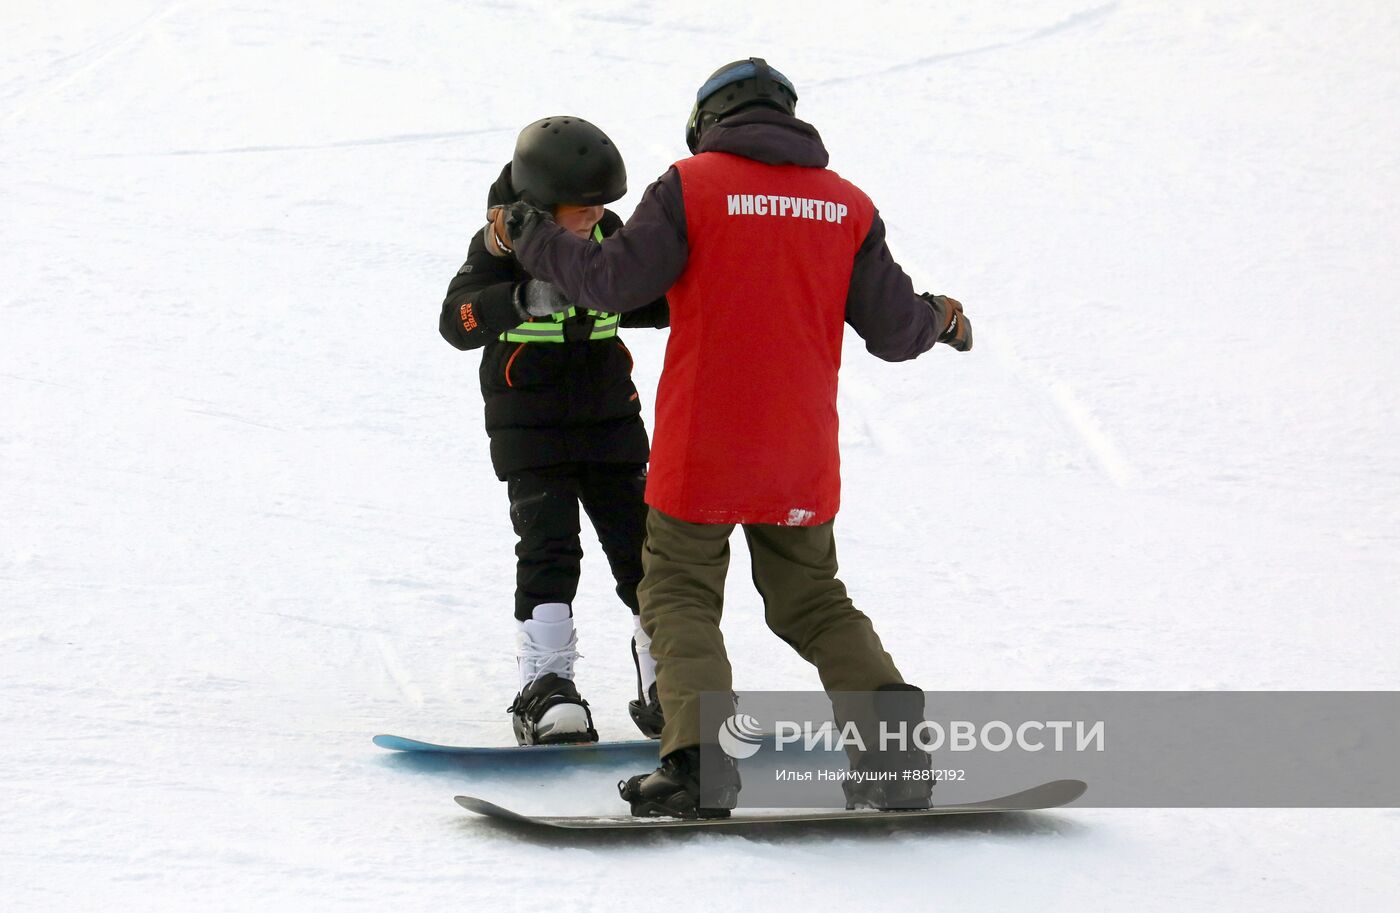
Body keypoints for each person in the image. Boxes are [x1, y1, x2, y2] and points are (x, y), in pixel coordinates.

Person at [490, 60, 973, 815]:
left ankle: (700, 766)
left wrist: (534, 237)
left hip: (705, 444)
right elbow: (894, 327)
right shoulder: (847, 205)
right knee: (813, 598)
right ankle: (896, 760)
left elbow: (612, 283)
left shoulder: (691, 185)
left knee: (678, 593)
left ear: (708, 119)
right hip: (799, 449)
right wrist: (940, 316)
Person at [439, 116, 669, 746]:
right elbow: (456, 321)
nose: (593, 221)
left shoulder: (607, 236)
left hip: (611, 422)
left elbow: (647, 298)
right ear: (537, 204)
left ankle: (666, 677)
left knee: (642, 548)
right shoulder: (499, 246)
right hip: (530, 429)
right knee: (549, 548)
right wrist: (519, 301)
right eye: (580, 210)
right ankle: (547, 686)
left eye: (600, 209)